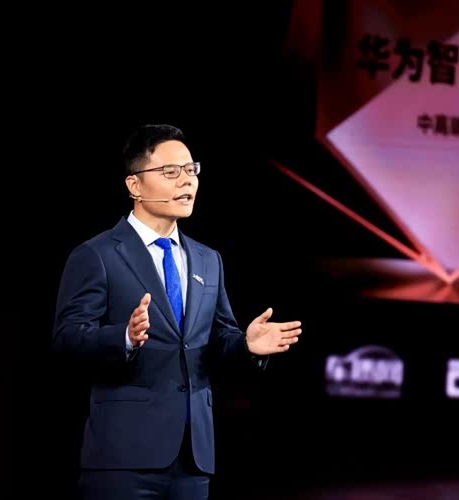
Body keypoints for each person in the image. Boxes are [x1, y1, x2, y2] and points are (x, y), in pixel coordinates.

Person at [52, 123, 303, 499]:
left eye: (191, 170)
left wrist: (245, 345)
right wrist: (124, 337)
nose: (186, 181)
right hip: (123, 456)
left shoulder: (208, 259)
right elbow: (67, 338)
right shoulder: (97, 254)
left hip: (193, 458)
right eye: (170, 172)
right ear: (135, 185)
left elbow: (218, 338)